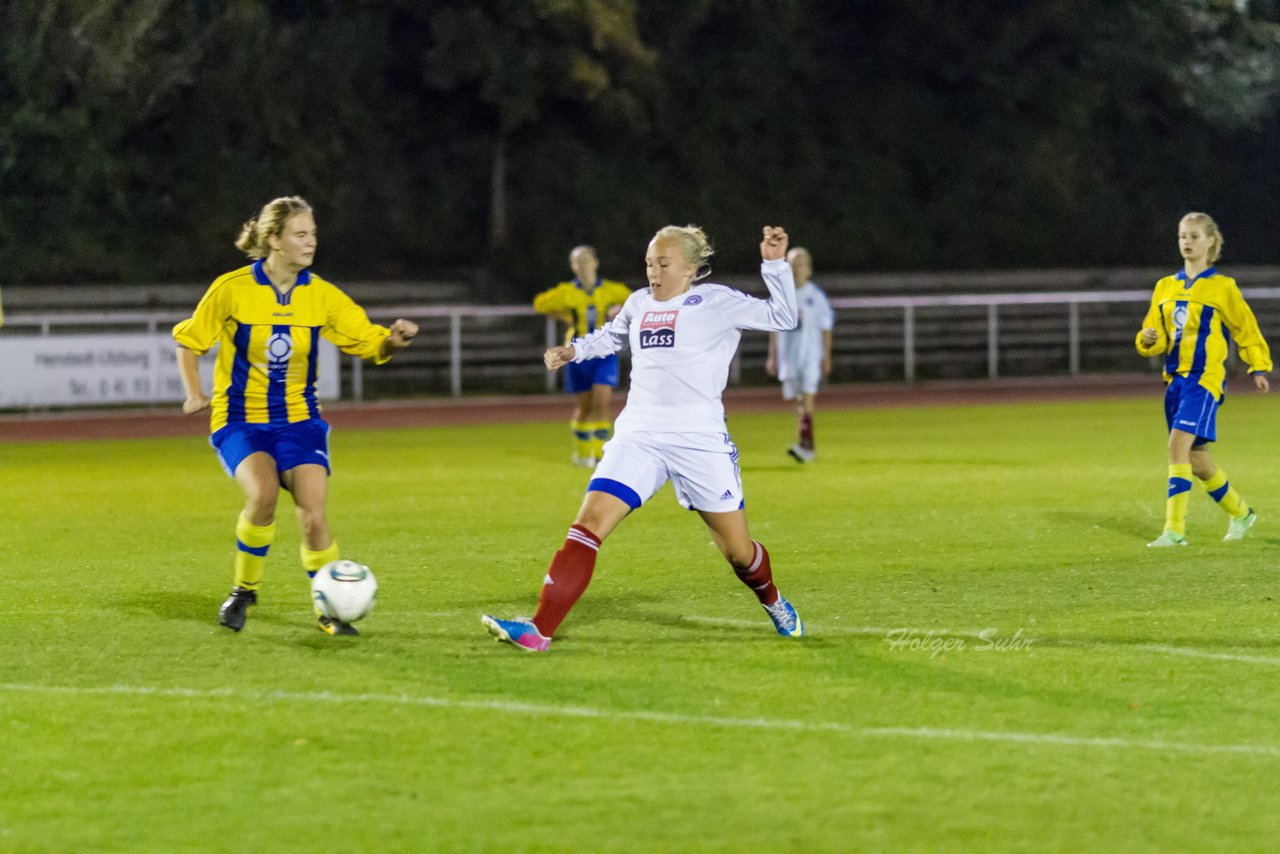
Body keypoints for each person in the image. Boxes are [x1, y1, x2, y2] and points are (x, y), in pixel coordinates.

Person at [483, 225, 804, 652]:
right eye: (650, 263)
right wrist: (573, 351)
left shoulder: (717, 302)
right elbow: (611, 337)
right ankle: (539, 631)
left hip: (699, 440)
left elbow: (783, 317)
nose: (654, 272)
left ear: (690, 268)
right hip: (639, 435)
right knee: (587, 526)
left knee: (739, 553)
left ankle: (773, 599)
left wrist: (774, 265)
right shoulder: (638, 303)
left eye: (663, 264)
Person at [173, 196, 419, 634]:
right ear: (274, 240)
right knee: (263, 495)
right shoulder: (232, 288)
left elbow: (363, 338)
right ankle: (244, 590)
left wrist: (391, 342)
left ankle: (328, 610)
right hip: (240, 419)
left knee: (314, 514)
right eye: (300, 235)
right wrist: (194, 393)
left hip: (299, 420)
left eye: (313, 235)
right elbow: (189, 342)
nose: (310, 243)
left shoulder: (320, 295)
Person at [1136, 211, 1270, 547]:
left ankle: (1174, 530)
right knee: (1196, 461)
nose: (1187, 242)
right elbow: (1156, 335)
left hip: (1205, 381)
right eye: (1183, 236)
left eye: (1195, 236)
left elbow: (1245, 328)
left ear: (1211, 241)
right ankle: (1241, 513)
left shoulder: (1222, 287)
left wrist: (1257, 365)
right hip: (1176, 381)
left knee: (1175, 447)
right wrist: (1147, 340)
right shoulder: (1164, 287)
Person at [533, 246, 632, 467]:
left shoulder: (611, 290)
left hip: (605, 353)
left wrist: (621, 309)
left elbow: (636, 302)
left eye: (587, 259)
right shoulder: (567, 291)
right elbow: (540, 304)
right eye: (578, 261)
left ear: (596, 263)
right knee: (585, 407)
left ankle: (599, 456)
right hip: (577, 353)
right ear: (573, 266)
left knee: (602, 402)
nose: (583, 264)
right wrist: (563, 314)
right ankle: (582, 452)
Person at [766, 246, 834, 462]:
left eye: (801, 264)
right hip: (789, 357)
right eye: (793, 264)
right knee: (799, 401)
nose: (797, 269)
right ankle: (806, 445)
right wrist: (772, 356)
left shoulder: (816, 296)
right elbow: (774, 328)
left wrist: (826, 356)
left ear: (809, 269)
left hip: (810, 355)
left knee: (806, 399)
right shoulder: (783, 296)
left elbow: (826, 327)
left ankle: (806, 447)